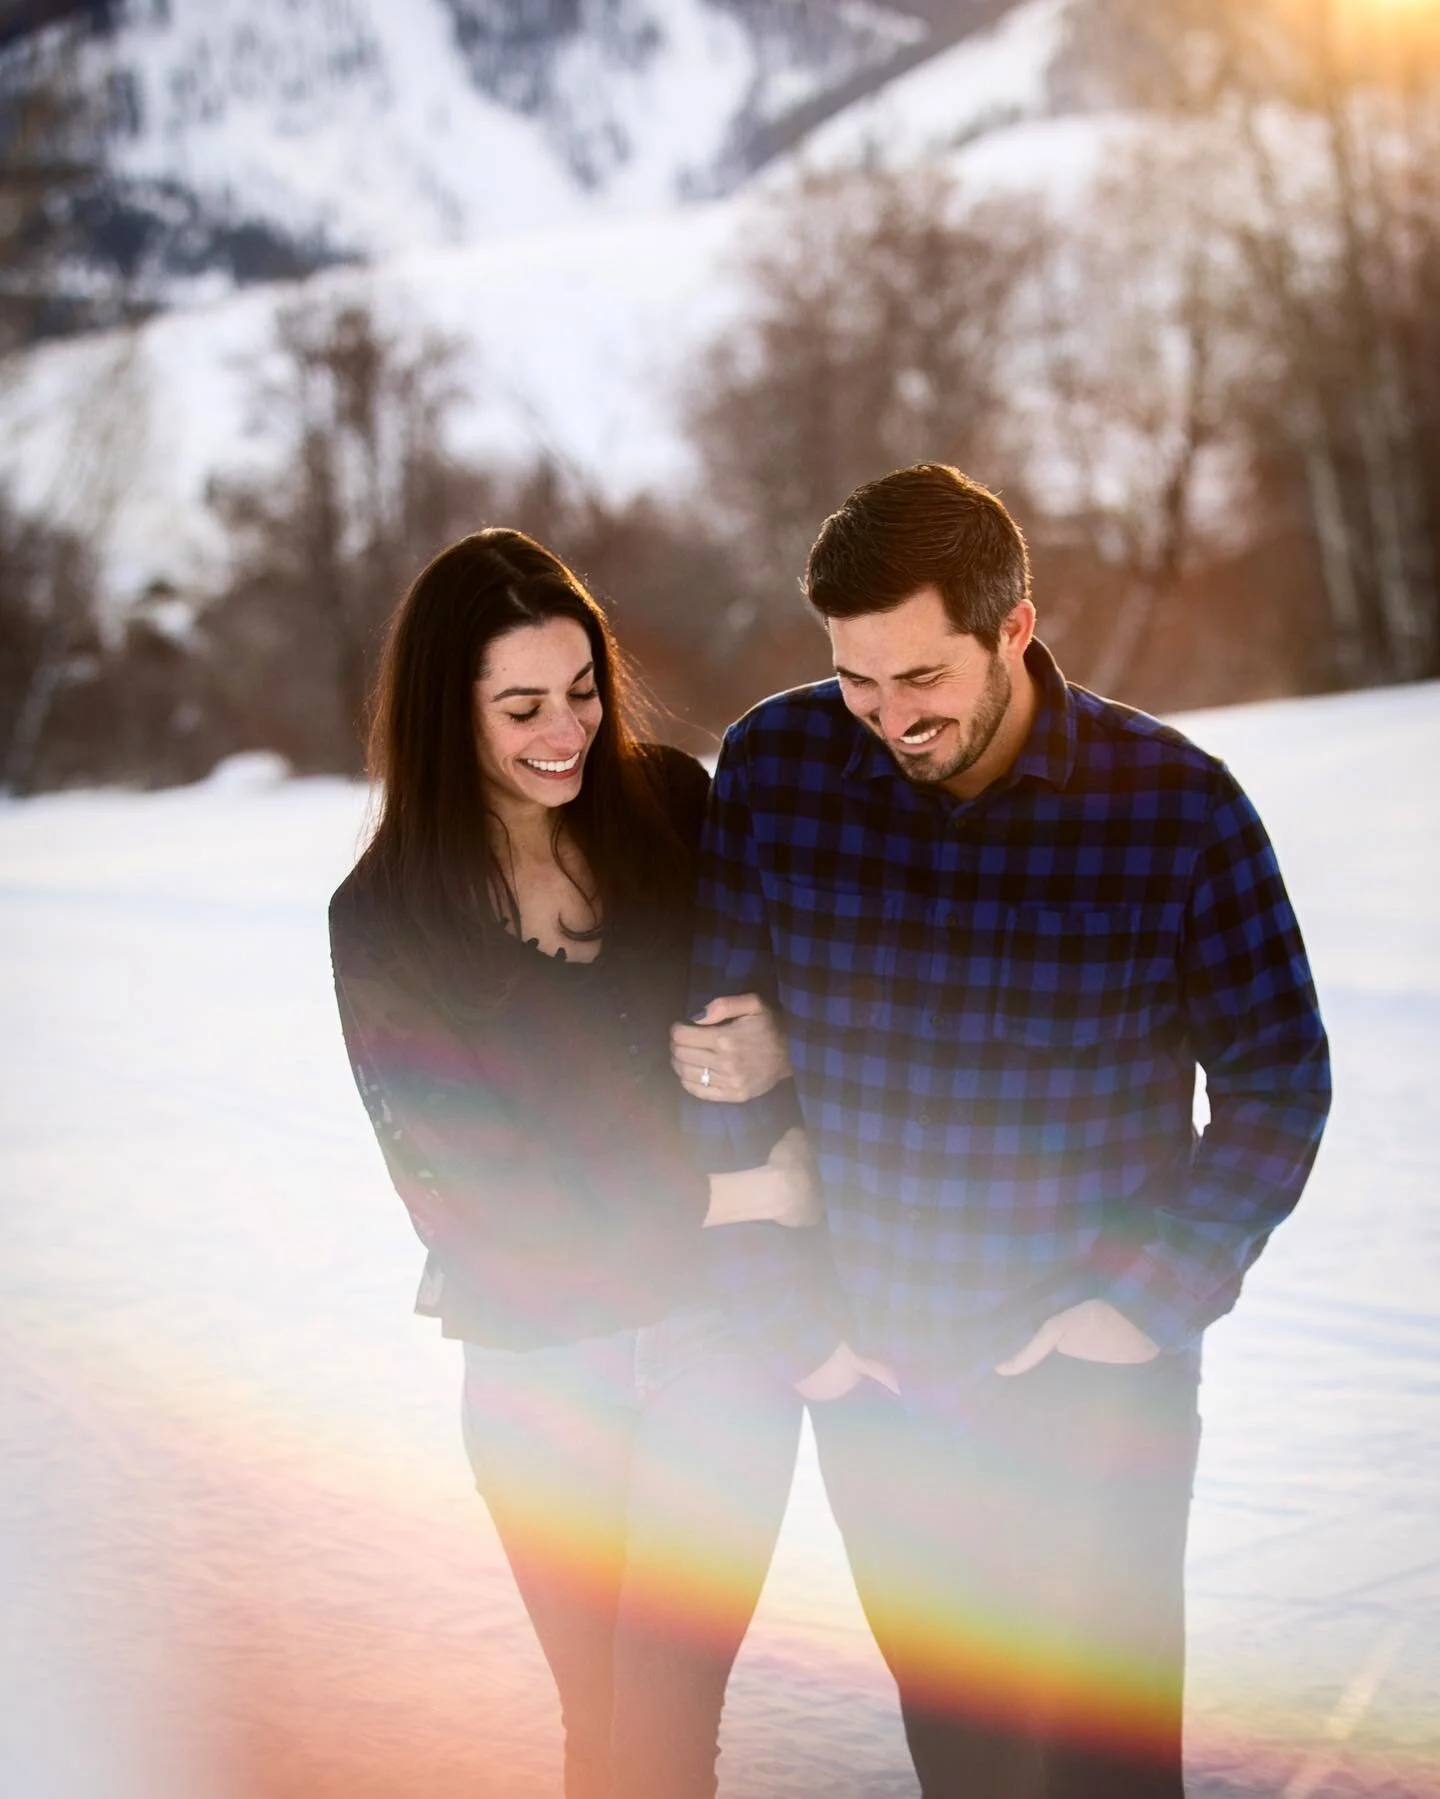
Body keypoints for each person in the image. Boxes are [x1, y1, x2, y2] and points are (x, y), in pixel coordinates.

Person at [673, 464, 1332, 1797]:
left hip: (1096, 1392)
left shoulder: (1177, 808)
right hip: (886, 1377)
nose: (886, 716)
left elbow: (1277, 1078)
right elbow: (727, 1048)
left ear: (1014, 627)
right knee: (966, 1759)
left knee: (1107, 1767)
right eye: (857, 678)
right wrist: (801, 1324)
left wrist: (1138, 1308)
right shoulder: (780, 767)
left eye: (920, 678)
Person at [328, 529, 816, 1799]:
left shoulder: (676, 809)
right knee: (600, 1736)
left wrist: (781, 1041)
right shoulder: (384, 918)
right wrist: (745, 1191)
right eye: (524, 706)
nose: (570, 729)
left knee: (660, 1734)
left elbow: (799, 990)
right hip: (539, 1361)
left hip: (718, 1336)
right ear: (450, 713)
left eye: (585, 688)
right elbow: (478, 1199)